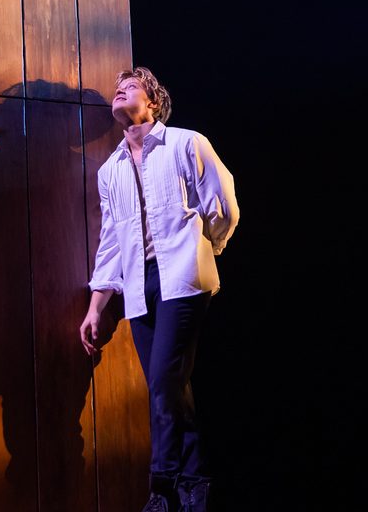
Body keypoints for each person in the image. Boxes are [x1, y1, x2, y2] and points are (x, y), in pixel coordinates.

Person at [80, 67, 240, 512]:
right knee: (168, 384)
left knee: (164, 382)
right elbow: (111, 241)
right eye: (117, 87)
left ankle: (163, 486)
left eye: (130, 87)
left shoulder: (187, 142)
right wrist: (96, 308)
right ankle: (196, 482)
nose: (119, 90)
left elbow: (223, 204)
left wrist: (205, 249)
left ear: (152, 102)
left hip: (183, 278)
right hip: (139, 285)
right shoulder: (110, 169)